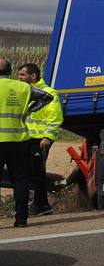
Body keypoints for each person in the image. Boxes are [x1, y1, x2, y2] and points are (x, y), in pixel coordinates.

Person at [0, 57, 52, 228]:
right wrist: (29, 110)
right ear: (10, 71)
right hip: (19, 141)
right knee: (20, 180)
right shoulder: (23, 87)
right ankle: (21, 219)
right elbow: (46, 97)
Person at [17, 62, 60, 216]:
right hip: (26, 138)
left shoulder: (48, 93)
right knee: (28, 173)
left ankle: (41, 205)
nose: (19, 77)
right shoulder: (24, 91)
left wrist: (48, 137)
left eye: (23, 74)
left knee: (37, 173)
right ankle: (39, 204)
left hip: (40, 140)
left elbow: (55, 118)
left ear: (33, 76)